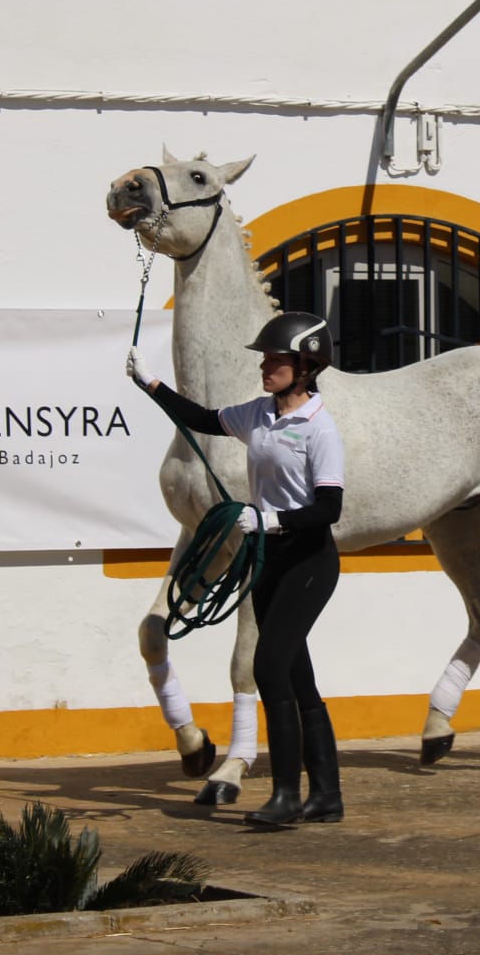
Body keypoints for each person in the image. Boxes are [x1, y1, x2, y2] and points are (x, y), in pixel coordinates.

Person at [127, 312, 347, 826]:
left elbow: (329, 510)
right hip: (268, 560)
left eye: (275, 360)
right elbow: (203, 420)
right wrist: (150, 383)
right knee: (298, 677)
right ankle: (327, 796)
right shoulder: (260, 414)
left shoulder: (319, 428)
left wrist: (267, 518)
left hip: (309, 559)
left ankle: (287, 797)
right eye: (266, 359)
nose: (265, 367)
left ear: (306, 366)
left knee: (268, 667)